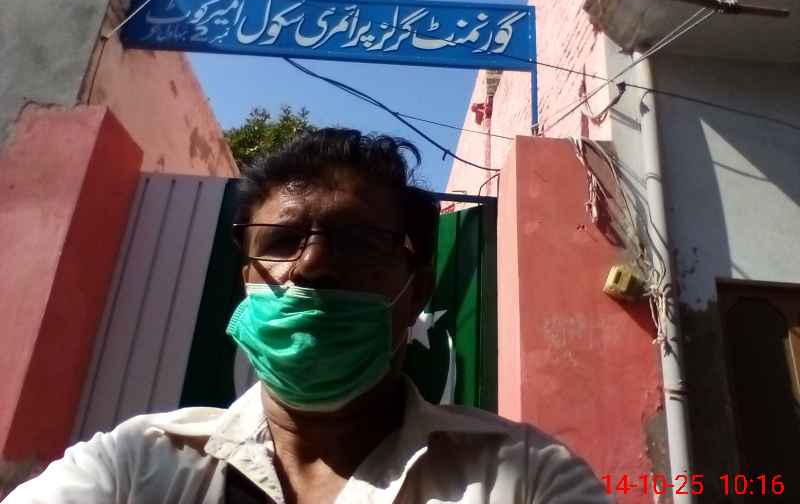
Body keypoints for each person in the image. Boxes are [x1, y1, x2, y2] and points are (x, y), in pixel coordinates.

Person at [6, 128, 610, 503]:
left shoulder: (525, 477)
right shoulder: (132, 466)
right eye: (281, 241)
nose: (312, 265)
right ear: (246, 279)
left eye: (358, 241)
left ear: (416, 291)